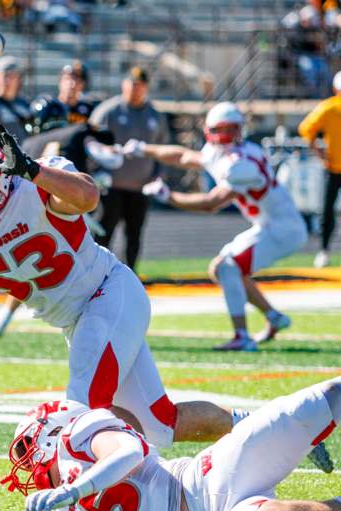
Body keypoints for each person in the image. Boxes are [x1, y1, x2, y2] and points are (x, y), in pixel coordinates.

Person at [0, 125, 241, 452]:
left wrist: (31, 170)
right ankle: (255, 426)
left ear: (1, 174)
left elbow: (87, 197)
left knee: (82, 411)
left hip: (107, 293)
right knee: (160, 424)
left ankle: (95, 501)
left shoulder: (33, 186)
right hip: (79, 318)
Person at [0, 376, 341, 511]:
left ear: (48, 431)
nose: (30, 467)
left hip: (207, 475)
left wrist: (78, 486)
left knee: (311, 403)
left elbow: (130, 451)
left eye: (26, 450)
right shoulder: (68, 509)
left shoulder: (80, 433)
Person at [135, 102, 309, 351]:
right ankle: (274, 317)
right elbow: (183, 156)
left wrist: (168, 196)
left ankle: (242, 336)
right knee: (226, 270)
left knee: (226, 267)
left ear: (240, 130)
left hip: (284, 230)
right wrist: (143, 149)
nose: (225, 136)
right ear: (208, 131)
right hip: (269, 224)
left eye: (231, 129)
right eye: (220, 129)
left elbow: (210, 203)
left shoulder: (241, 164)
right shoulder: (222, 153)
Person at [0, 97, 118, 337]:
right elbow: (110, 159)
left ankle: (5, 317)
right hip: (67, 210)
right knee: (92, 269)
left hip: (30, 217)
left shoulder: (30, 144)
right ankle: (97, 319)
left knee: (29, 269)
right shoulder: (73, 135)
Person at [89, 67, 168, 271]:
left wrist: (158, 176)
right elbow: (90, 141)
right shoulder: (109, 111)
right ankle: (97, 273)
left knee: (134, 234)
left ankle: (130, 275)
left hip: (140, 187)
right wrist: (97, 169)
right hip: (110, 185)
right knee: (104, 231)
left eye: (139, 85)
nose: (135, 89)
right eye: (132, 84)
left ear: (146, 88)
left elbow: (162, 149)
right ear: (124, 85)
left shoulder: (155, 115)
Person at [298, 70, 341, 268]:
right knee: (327, 212)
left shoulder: (328, 107)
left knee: (328, 212)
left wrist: (318, 152)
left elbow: (305, 129)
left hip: (333, 167)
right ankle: (323, 251)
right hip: (333, 167)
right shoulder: (328, 108)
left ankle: (323, 251)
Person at [57, 61, 96, 125]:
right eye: (68, 79)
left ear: (83, 85)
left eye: (77, 80)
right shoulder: (50, 107)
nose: (72, 84)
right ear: (60, 82)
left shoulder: (89, 110)